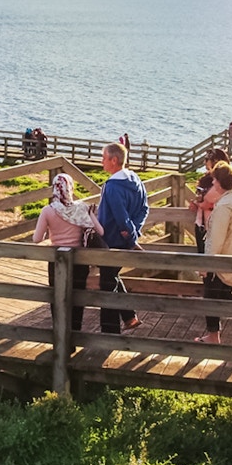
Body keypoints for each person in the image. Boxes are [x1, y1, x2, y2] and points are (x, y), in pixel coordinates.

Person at [32, 173, 104, 334]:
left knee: (57, 299)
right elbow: (100, 231)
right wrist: (91, 214)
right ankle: (74, 335)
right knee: (77, 300)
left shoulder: (48, 211)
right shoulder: (82, 208)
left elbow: (37, 239)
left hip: (57, 260)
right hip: (79, 261)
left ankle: (60, 337)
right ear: (71, 187)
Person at [194, 161, 232, 345]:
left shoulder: (224, 207)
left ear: (219, 182)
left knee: (211, 297)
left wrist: (207, 265)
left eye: (214, 180)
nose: (213, 184)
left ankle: (214, 336)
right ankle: (217, 333)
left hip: (220, 260)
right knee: (225, 294)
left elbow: (216, 239)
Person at [97, 142, 149, 334]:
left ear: (114, 160)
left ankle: (109, 332)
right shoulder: (136, 180)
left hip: (111, 241)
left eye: (104, 157)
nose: (101, 161)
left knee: (106, 285)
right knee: (112, 278)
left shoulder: (112, 186)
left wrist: (131, 236)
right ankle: (130, 317)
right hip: (125, 240)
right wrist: (135, 232)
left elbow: (121, 217)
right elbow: (144, 209)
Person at [189, 148, 230, 253]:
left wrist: (198, 203)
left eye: (207, 159)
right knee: (203, 256)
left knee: (209, 259)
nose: (204, 162)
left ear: (215, 160)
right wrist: (197, 203)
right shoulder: (209, 178)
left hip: (212, 225)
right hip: (203, 223)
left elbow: (206, 202)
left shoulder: (221, 181)